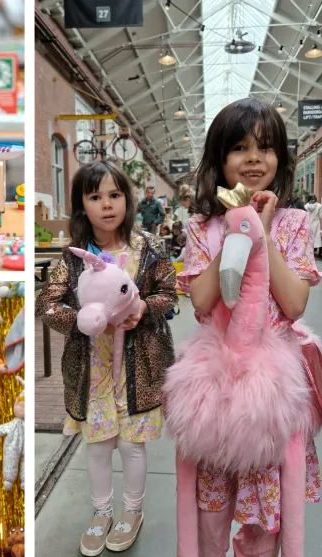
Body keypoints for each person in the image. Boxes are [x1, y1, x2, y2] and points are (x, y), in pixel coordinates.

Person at [175, 98, 321, 556]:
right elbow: (200, 300)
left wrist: (262, 231)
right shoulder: (202, 227)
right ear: (220, 161)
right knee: (211, 508)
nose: (254, 157)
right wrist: (237, 229)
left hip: (274, 391)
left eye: (265, 147)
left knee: (267, 513)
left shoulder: (295, 223)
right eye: (239, 147)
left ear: (280, 159)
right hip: (217, 389)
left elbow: (295, 304)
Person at [36, 161, 177, 556]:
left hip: (138, 370)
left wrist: (144, 310)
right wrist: (79, 321)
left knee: (133, 446)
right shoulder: (74, 258)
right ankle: (101, 513)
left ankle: (133, 511)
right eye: (95, 196)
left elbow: (170, 292)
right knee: (97, 447)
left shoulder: (146, 249)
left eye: (115, 195)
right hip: (91, 371)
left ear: (128, 201)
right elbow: (47, 304)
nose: (107, 205)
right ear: (82, 207)